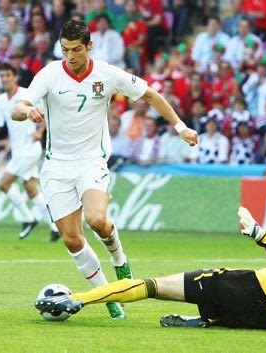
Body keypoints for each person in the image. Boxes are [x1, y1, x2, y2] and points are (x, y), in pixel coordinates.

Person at [12, 19, 197, 320]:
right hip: (56, 166)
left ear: (89, 46)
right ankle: (109, 298)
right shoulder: (49, 74)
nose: (70, 56)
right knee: (72, 239)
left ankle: (120, 260)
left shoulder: (107, 74)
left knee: (97, 220)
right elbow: (18, 107)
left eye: (75, 50)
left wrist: (180, 127)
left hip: (91, 162)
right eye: (65, 49)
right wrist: (28, 110)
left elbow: (149, 94)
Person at [36, 208, 266, 332]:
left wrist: (257, 232)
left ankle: (76, 300)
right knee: (224, 302)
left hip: (245, 290)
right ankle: (208, 320)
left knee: (152, 285)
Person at [0, 63, 59, 240]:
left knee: (4, 184)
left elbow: (44, 114)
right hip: (19, 150)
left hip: (29, 150)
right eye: (2, 76)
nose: (4, 79)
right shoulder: (2, 100)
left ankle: (28, 219)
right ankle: (55, 227)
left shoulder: (26, 95)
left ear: (15, 77)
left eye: (7, 75)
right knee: (31, 190)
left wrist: (39, 132)